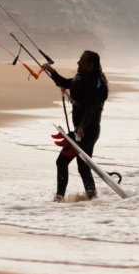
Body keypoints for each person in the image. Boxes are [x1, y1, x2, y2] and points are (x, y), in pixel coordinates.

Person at [40, 50, 108, 202]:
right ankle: (93, 198)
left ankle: (59, 199)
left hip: (88, 130)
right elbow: (65, 83)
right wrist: (52, 71)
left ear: (91, 65)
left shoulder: (94, 83)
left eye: (82, 61)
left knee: (61, 161)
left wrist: (81, 127)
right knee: (83, 166)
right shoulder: (82, 77)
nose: (78, 63)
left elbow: (90, 109)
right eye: (79, 60)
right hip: (83, 131)